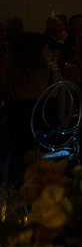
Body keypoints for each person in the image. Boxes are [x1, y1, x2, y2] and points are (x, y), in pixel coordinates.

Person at [2, 32, 57, 184]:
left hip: (18, 144)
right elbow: (62, 114)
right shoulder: (53, 77)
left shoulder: (7, 79)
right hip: (49, 145)